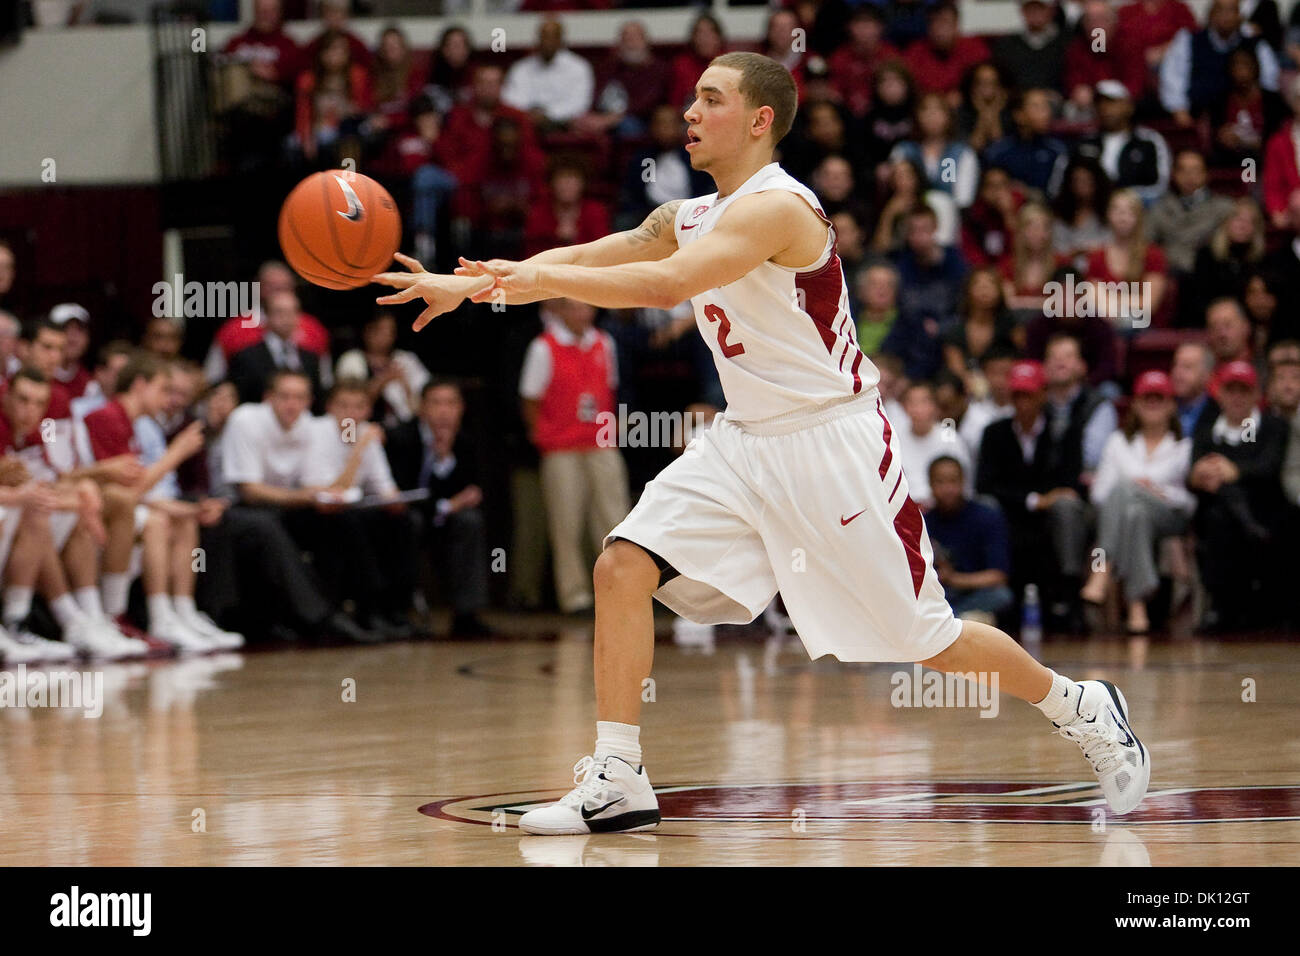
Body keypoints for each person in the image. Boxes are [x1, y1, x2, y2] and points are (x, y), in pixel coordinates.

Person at [375, 52, 1150, 835]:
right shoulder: (690, 214)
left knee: (927, 641)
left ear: (759, 120)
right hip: (742, 441)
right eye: (691, 99)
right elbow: (591, 256)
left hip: (831, 443)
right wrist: (477, 283)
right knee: (622, 564)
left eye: (710, 100)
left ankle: (1078, 703)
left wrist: (513, 283)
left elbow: (663, 286)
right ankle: (617, 775)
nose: (689, 113)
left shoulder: (781, 208)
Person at [1080, 371, 1194, 634]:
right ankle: (1136, 605)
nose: (1153, 404)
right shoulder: (1118, 442)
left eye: (1159, 398)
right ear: (1135, 404)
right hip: (1128, 515)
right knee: (1134, 512)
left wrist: (1156, 492)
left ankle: (1103, 570)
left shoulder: (1183, 446)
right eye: (1147, 398)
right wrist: (1136, 489)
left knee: (1127, 489)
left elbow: (1188, 500)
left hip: (1169, 516)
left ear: (1170, 405)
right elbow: (1099, 494)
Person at [385, 380, 492, 637]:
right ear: (421, 408)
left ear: (461, 408)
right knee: (409, 522)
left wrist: (445, 458)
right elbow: (403, 493)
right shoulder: (400, 437)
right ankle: (399, 612)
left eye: (451, 403)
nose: (444, 411)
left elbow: (473, 491)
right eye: (436, 403)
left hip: (444, 521)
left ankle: (466, 613)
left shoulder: (466, 441)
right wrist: (448, 504)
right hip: (407, 518)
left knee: (470, 521)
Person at [1187, 360, 1289, 630]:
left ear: (1257, 394)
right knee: (1220, 514)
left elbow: (1269, 468)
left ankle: (1225, 607)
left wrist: (1235, 470)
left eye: (1244, 390)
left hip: (1264, 509)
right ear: (1219, 393)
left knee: (1227, 509)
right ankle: (1225, 604)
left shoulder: (1272, 425)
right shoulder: (1207, 429)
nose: (1237, 397)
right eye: (1231, 390)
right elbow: (1195, 472)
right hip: (1216, 513)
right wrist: (1202, 474)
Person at [925, 455, 1014, 625]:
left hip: (975, 593)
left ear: (963, 482)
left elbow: (998, 576)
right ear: (930, 484)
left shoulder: (986, 516)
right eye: (940, 482)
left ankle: (949, 620)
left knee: (1001, 596)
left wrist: (953, 578)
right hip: (940, 595)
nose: (947, 489)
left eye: (953, 481)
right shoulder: (924, 522)